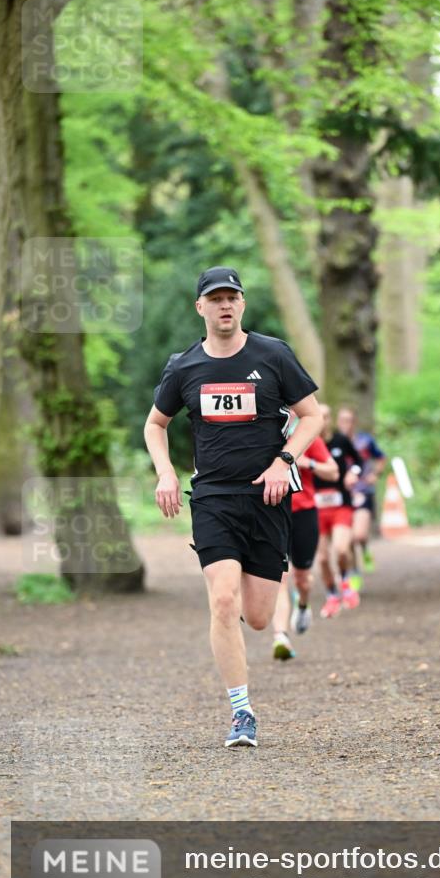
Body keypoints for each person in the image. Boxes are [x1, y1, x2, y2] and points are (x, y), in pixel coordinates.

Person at [144, 266, 322, 749]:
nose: (225, 305)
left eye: (232, 297)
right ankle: (242, 713)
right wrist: (165, 471)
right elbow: (155, 424)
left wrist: (285, 461)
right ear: (200, 307)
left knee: (260, 617)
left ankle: (247, 620)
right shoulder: (184, 367)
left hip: (267, 498)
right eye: (215, 298)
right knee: (223, 599)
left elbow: (312, 415)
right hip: (215, 498)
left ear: (242, 304)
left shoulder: (273, 354)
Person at [271, 413, 338, 660]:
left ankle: (303, 604)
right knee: (279, 576)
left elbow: (333, 472)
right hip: (275, 510)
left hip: (304, 513)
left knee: (302, 578)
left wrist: (307, 463)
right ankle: (281, 637)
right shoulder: (267, 436)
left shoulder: (309, 438)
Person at [313, 403, 363, 618]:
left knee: (342, 550)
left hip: (341, 505)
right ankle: (332, 595)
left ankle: (345, 582)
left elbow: (359, 461)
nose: (322, 421)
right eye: (319, 416)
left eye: (326, 416)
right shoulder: (308, 443)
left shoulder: (340, 441)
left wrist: (354, 473)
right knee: (323, 559)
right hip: (315, 508)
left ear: (330, 420)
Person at [336, 406, 387, 577]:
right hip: (344, 494)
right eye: (343, 420)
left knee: (359, 535)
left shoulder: (365, 441)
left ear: (355, 422)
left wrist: (375, 475)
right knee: (347, 538)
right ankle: (354, 570)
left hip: (364, 490)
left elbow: (381, 458)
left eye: (349, 420)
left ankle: (365, 549)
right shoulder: (335, 443)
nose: (346, 424)